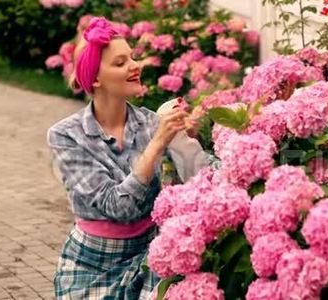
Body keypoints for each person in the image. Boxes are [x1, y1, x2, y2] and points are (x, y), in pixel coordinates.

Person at [47, 17, 209, 299]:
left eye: (132, 58)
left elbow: (202, 173)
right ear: (95, 78)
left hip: (149, 254)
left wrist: (190, 144)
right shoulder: (67, 136)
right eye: (120, 63)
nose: (136, 66)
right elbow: (117, 206)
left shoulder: (150, 122)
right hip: (90, 265)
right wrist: (158, 142)